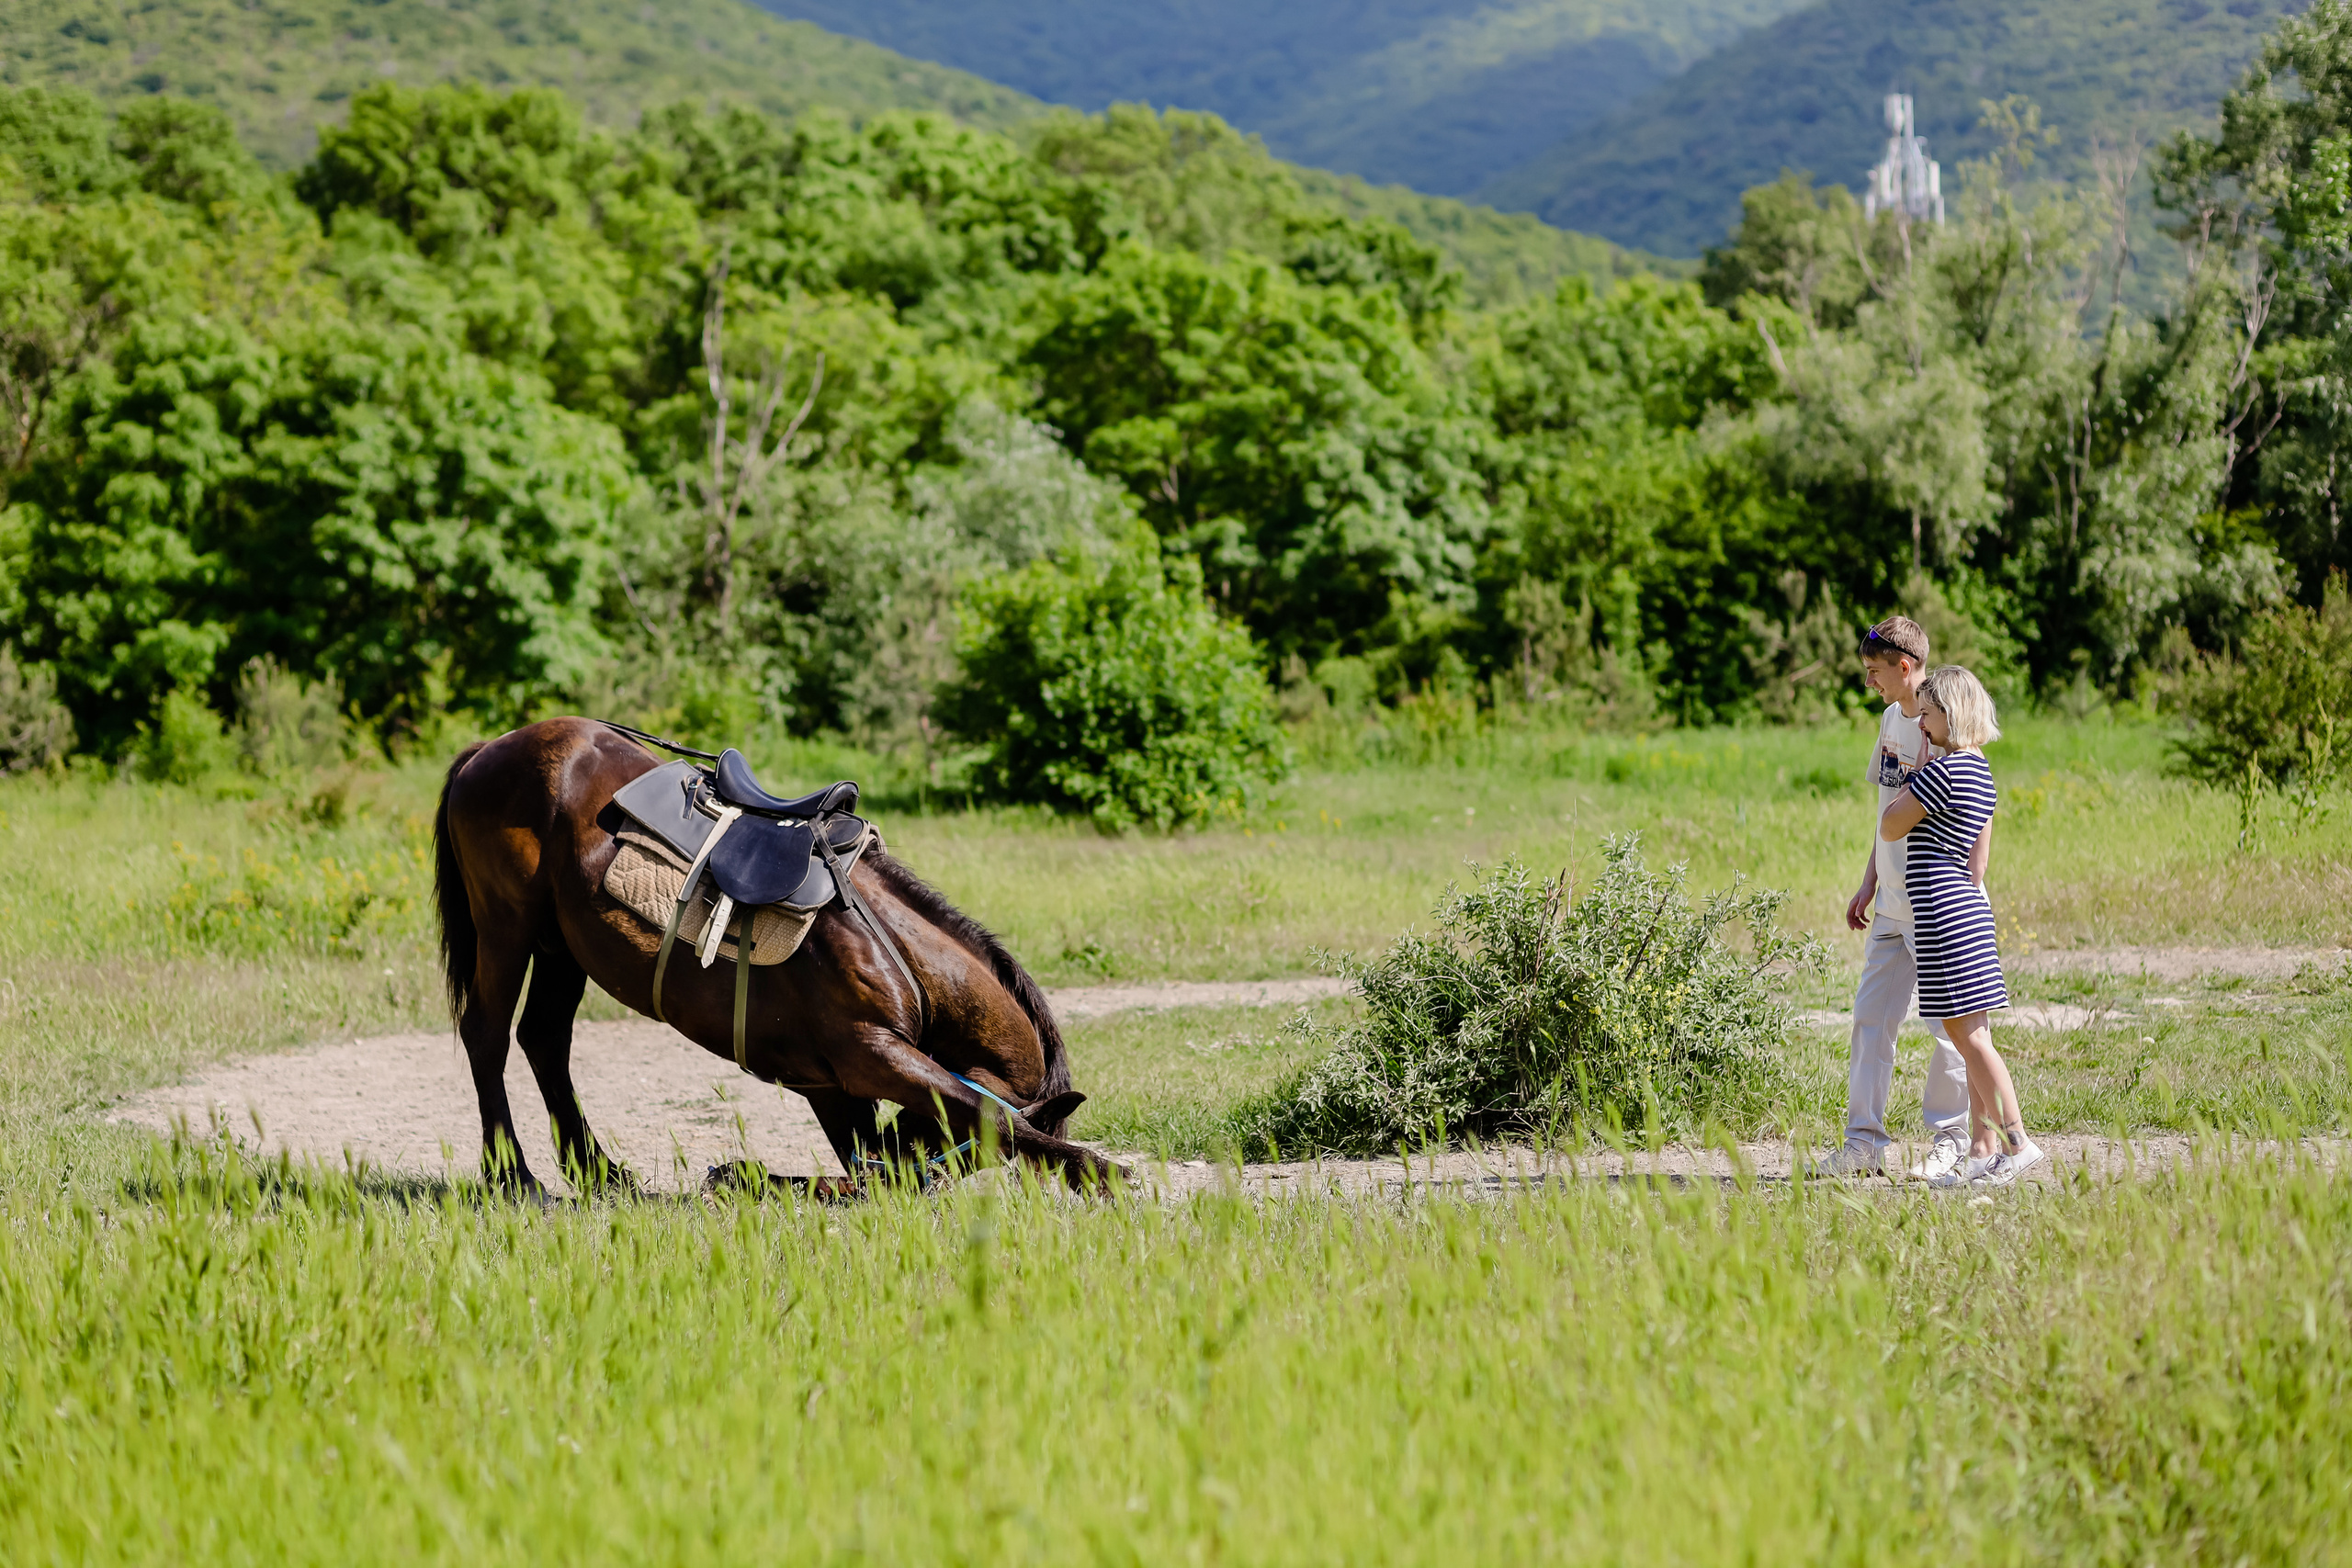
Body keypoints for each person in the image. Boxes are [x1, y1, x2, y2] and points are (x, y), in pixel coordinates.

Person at [1807, 616, 1974, 1181]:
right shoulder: (1888, 721)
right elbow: (1885, 810)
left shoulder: (1946, 724)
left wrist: (1971, 889)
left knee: (1947, 1026)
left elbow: (1978, 810)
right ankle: (1864, 1143)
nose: (1870, 682)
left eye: (1875, 672)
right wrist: (1870, 880)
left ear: (1905, 667)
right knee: (1871, 1018)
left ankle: (1951, 1139)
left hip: (1936, 905)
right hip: (1890, 904)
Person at [1881, 664, 2041, 1187]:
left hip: (1944, 917)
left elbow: (1889, 824)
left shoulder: (1940, 773)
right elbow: (1979, 864)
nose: (1921, 724)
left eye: (1927, 714)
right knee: (1970, 1035)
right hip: (1969, 910)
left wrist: (1917, 772)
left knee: (1970, 1041)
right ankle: (1982, 1154)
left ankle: (2017, 1144)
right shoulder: (1980, 773)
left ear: (1950, 714)